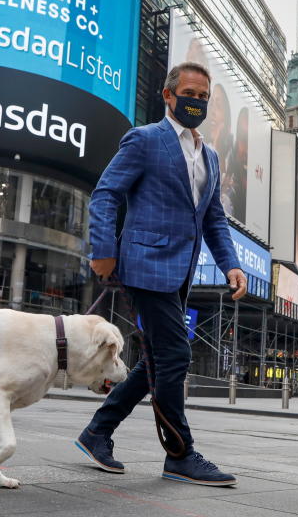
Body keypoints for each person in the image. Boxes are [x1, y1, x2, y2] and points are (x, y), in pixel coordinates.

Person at [74, 62, 248, 488]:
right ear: (169, 96)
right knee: (175, 356)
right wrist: (103, 250)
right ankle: (179, 453)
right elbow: (106, 194)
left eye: (204, 96)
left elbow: (213, 219)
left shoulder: (209, 155)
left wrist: (232, 263)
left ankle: (97, 432)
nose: (197, 102)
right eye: (190, 93)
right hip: (145, 265)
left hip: (181, 272)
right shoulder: (145, 139)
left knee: (153, 361)